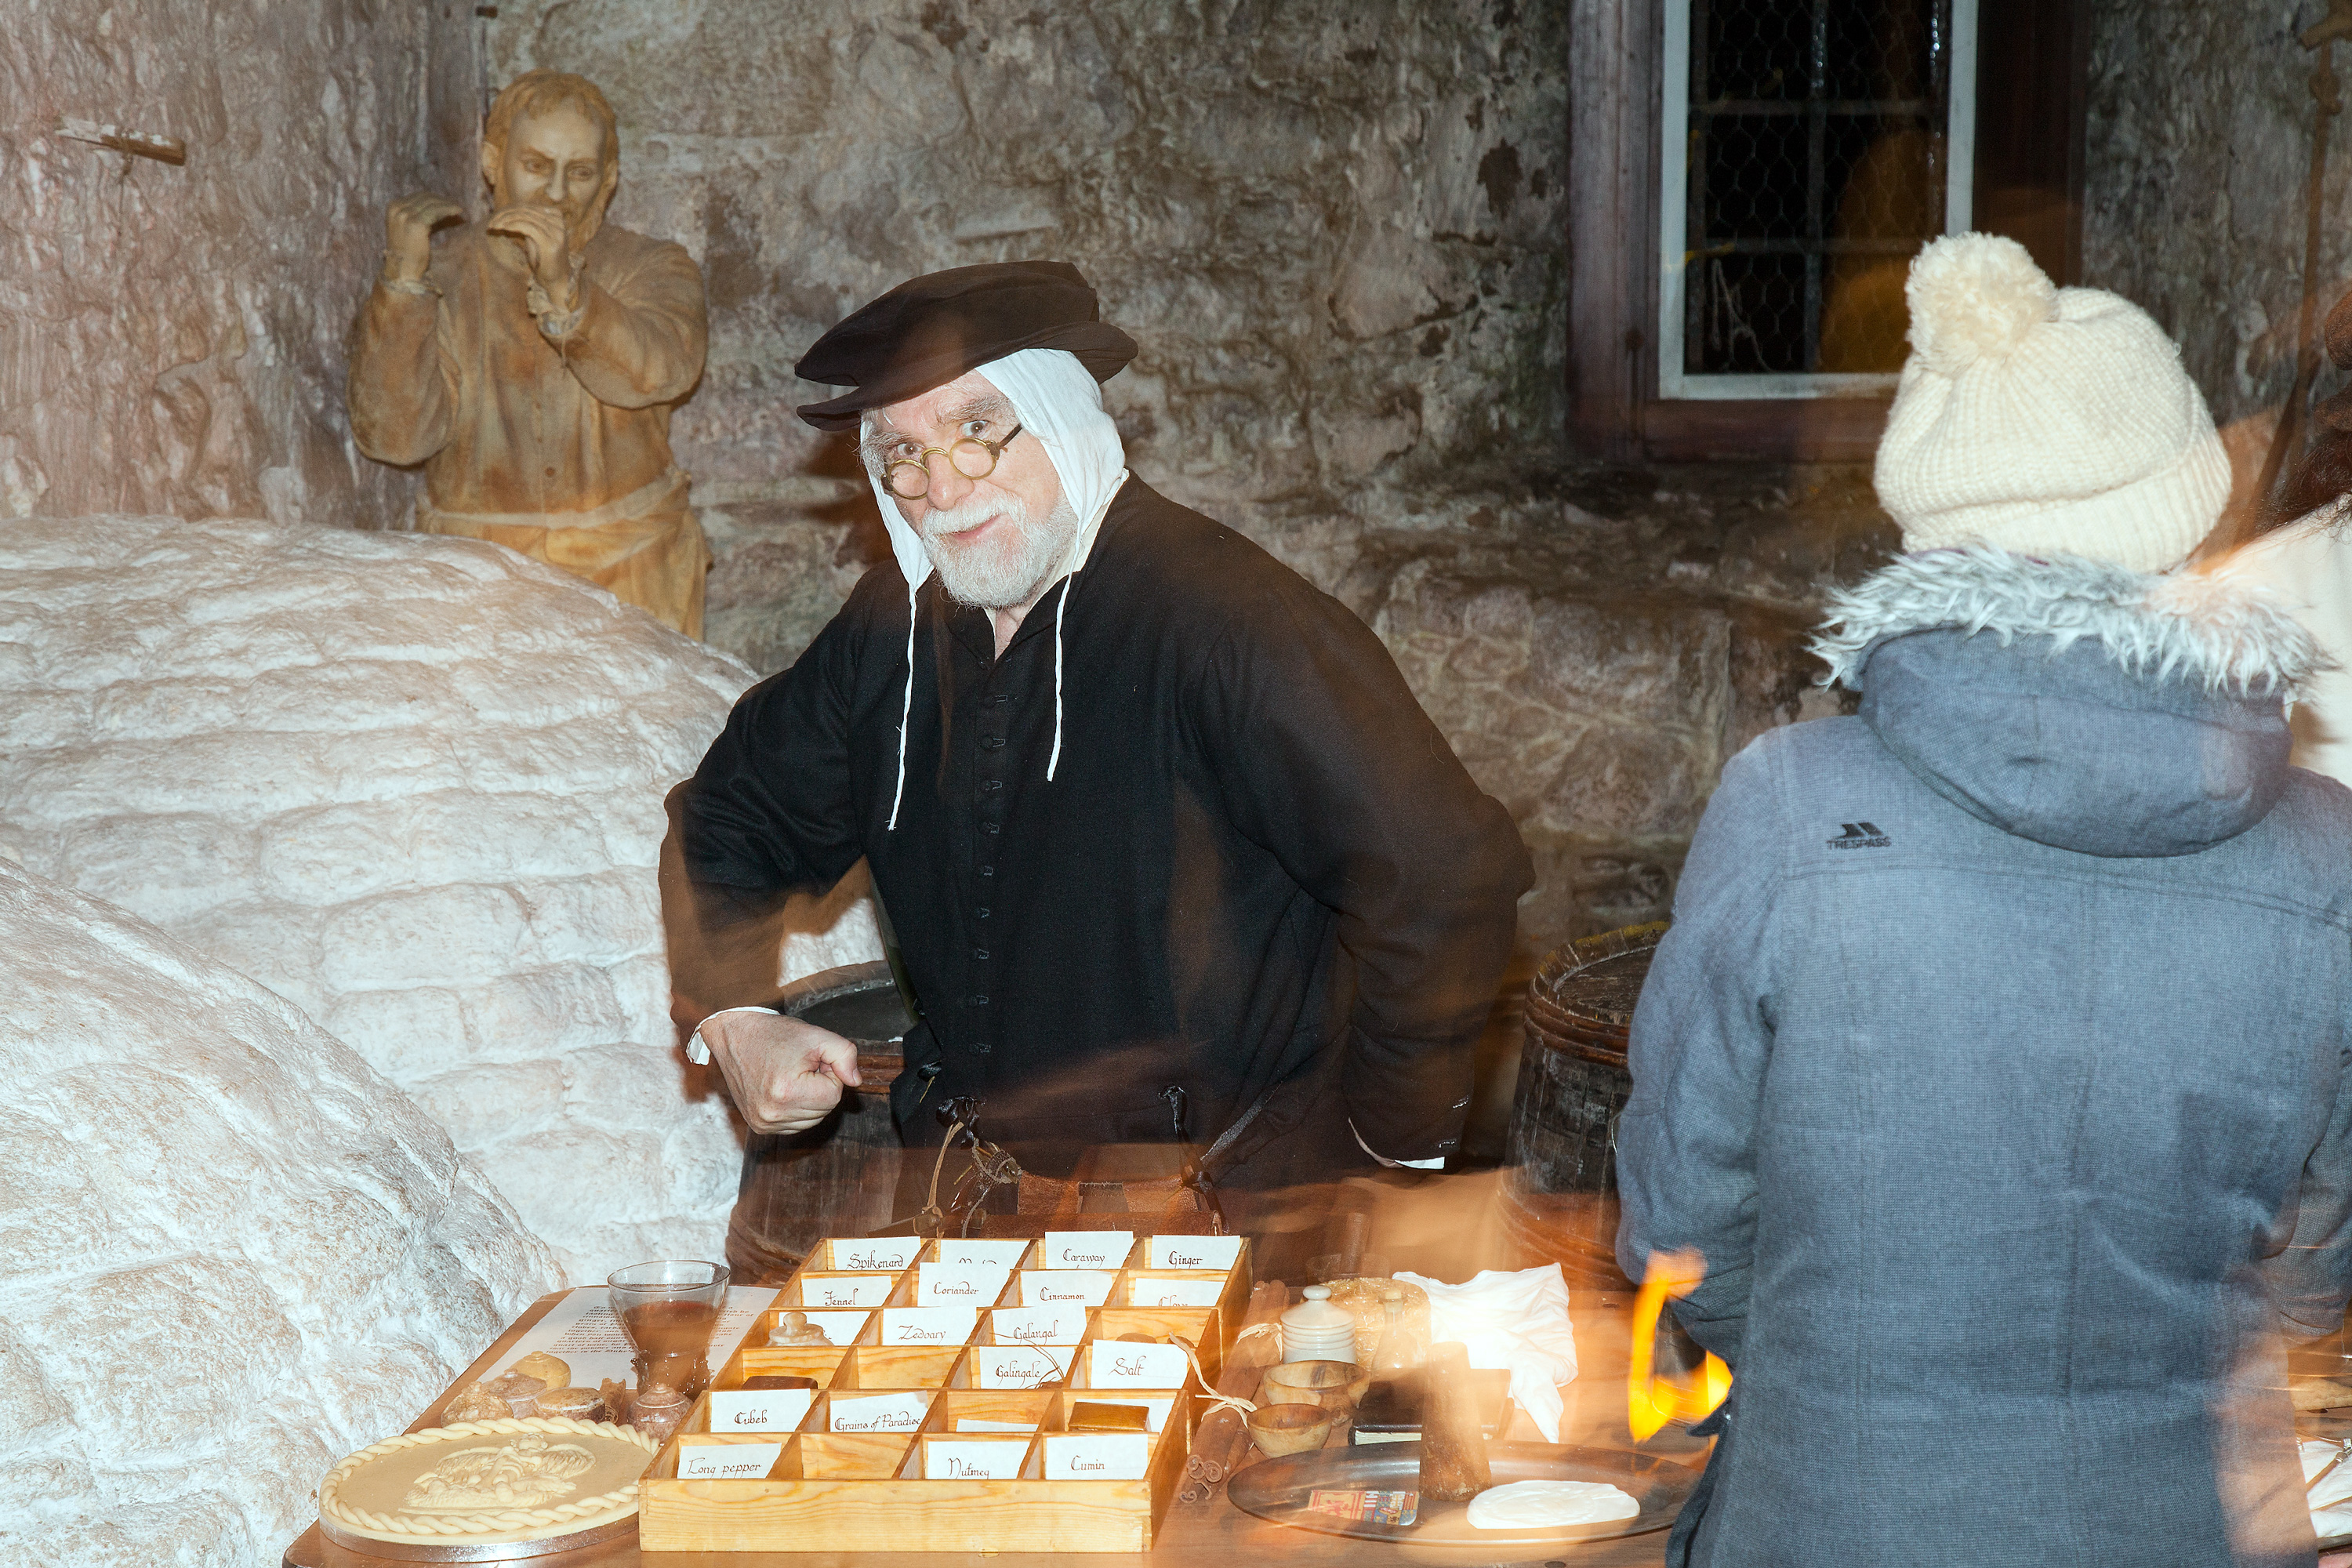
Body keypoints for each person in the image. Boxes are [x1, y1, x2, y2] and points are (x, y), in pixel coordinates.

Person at [1617, 233, 2352, 1566]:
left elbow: (1681, 1219)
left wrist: (1828, 1367)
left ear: (1932, 536)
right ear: (2187, 516)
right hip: (2184, 1521)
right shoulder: (2328, 858)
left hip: (1837, 1514)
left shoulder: (1785, 806)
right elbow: (2321, 1258)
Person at [670, 260, 1529, 1259]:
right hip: (974, 1221)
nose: (941, 487)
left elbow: (1440, 871)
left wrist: (1383, 1149)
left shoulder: (1226, 621)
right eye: (903, 452)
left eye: (977, 429)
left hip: (1230, 1231)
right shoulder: (888, 638)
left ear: (1062, 419)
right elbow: (730, 815)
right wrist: (734, 1014)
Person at [347, 70, 713, 637]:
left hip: (632, 574)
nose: (557, 194)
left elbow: (660, 369)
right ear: (493, 163)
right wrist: (402, 288)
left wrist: (569, 294)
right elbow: (396, 439)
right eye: (537, 167)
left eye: (581, 172)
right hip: (480, 586)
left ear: (609, 180)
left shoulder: (654, 267)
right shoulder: (444, 274)